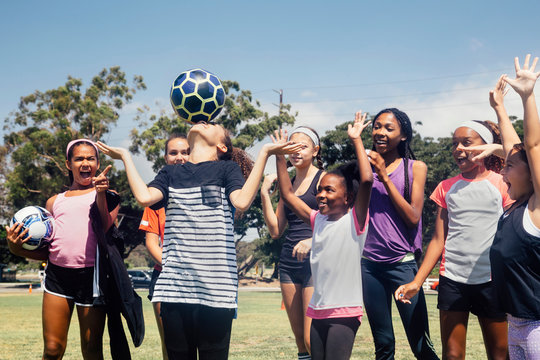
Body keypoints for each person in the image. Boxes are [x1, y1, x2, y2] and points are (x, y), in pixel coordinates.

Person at [96, 123, 303, 359]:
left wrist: (265, 152)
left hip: (217, 291)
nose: (205, 122)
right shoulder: (169, 174)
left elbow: (242, 202)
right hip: (175, 290)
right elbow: (144, 197)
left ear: (221, 146)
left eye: (214, 124)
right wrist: (125, 156)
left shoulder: (227, 169)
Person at [395, 119, 511, 359]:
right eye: (454, 143)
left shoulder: (504, 183)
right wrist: (418, 281)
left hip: (492, 281)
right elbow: (438, 240)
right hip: (453, 280)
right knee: (452, 355)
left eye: (466, 143)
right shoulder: (446, 188)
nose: (458, 148)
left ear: (486, 146)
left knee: (500, 354)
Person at [6, 139, 119, 360]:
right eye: (79, 159)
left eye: (91, 158)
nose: (85, 163)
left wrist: (101, 194)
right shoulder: (53, 202)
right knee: (52, 350)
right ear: (69, 164)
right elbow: (50, 251)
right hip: (58, 276)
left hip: (92, 278)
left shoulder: (109, 195)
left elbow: (104, 227)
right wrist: (17, 248)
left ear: (97, 163)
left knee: (92, 349)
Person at [275, 111, 373, 360]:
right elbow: (287, 194)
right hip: (317, 312)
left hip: (344, 312)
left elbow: (366, 180)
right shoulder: (316, 219)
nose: (321, 195)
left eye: (329, 190)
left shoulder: (355, 221)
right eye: (319, 190)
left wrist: (356, 140)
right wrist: (278, 155)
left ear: (347, 197)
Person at [360, 108, 438, 360]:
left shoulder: (415, 168)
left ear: (403, 136)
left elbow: (413, 217)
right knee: (383, 345)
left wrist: (383, 176)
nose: (380, 132)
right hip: (369, 266)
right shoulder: (363, 168)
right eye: (376, 126)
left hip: (402, 265)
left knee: (420, 346)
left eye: (388, 128)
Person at [487, 55, 540, 359]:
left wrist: (528, 96)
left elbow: (531, 148)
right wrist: (500, 109)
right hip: (516, 323)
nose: (502, 172)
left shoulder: (537, 207)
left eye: (509, 168)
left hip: (536, 327)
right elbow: (515, 148)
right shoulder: (517, 206)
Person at [260, 126, 325, 360]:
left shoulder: (323, 180)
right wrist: (265, 194)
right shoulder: (287, 184)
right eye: (291, 147)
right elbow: (276, 230)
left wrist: (312, 239)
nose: (296, 152)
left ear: (315, 150)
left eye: (302, 146)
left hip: (315, 263)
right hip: (288, 263)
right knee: (299, 338)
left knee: (310, 338)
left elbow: (336, 222)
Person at [138, 133, 190, 360]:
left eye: (185, 152)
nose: (179, 158)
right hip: (165, 278)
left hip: (199, 279)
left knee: (199, 343)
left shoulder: (204, 191)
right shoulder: (154, 199)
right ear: (165, 158)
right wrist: (174, 267)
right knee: (170, 347)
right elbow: (151, 242)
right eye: (173, 153)